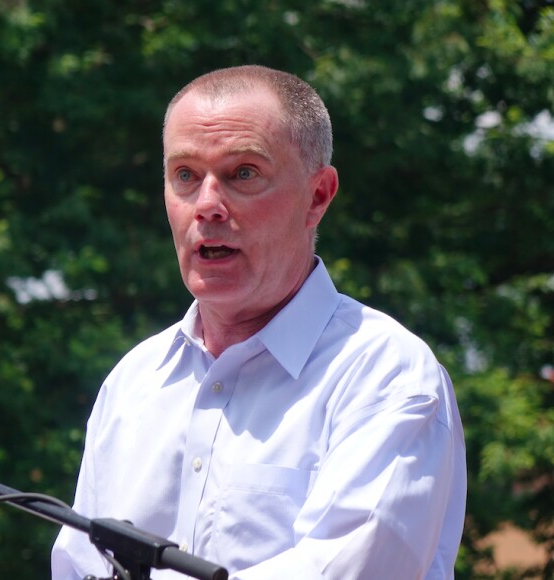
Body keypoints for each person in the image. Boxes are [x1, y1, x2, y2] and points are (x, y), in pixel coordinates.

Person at [51, 65, 466, 579]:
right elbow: (78, 565)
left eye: (243, 174)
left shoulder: (384, 374)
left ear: (317, 196)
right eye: (185, 176)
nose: (207, 205)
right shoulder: (134, 382)